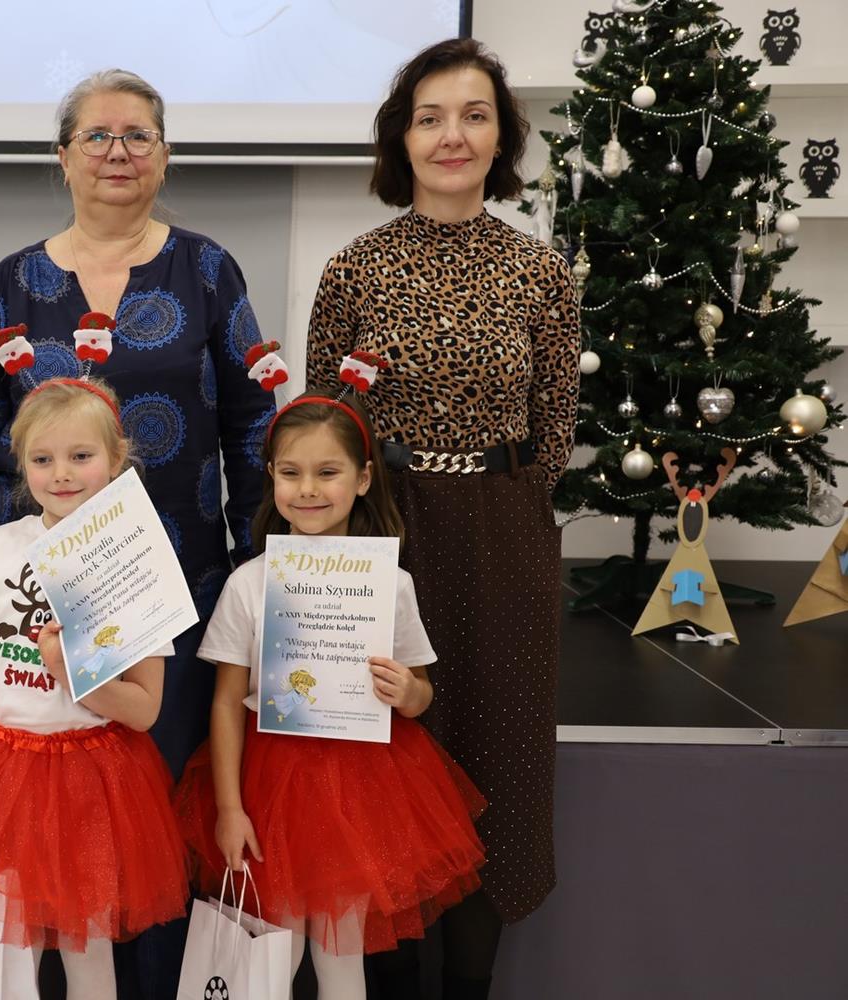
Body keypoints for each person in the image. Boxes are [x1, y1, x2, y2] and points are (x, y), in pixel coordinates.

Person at [305, 38, 580, 999]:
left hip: (503, 539)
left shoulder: (541, 274)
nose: (451, 135)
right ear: (402, 138)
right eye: (430, 118)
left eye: (473, 115)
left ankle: (469, 982)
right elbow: (326, 426)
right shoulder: (355, 270)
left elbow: (554, 431)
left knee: (494, 763)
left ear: (500, 138)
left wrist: (499, 502)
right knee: (384, 757)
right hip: (386, 535)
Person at [0, 69, 274, 776]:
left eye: (138, 136)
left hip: (179, 579)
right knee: (49, 785)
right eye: (96, 136)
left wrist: (257, 563)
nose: (118, 152)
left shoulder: (209, 268)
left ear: (164, 156)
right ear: (64, 158)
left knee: (162, 780)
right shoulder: (15, 280)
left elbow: (251, 430)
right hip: (35, 592)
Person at [175, 377, 486, 1000]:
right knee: (271, 957)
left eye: (328, 472)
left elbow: (421, 693)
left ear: (363, 479)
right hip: (271, 787)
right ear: (271, 478)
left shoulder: (390, 585)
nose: (309, 489)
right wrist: (231, 808)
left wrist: (407, 693)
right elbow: (226, 701)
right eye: (291, 473)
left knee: (342, 959)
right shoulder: (250, 583)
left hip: (363, 787)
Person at [0, 358, 190, 999]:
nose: (62, 473)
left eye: (81, 456)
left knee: (86, 949)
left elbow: (145, 710)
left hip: (88, 781)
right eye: (42, 460)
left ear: (117, 460)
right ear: (21, 464)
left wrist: (75, 674)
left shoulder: (136, 565)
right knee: (5, 955)